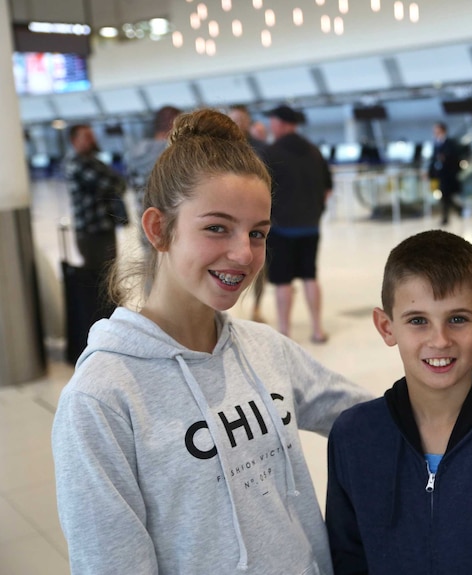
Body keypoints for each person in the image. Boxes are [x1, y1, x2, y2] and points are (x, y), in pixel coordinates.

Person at [52, 109, 373, 574]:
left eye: (257, 232)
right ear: (158, 229)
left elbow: (370, 418)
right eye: (217, 227)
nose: (243, 253)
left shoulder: (266, 349)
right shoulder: (100, 399)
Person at [325, 229, 472, 574]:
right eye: (418, 321)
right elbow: (347, 558)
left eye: (457, 319)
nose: (439, 340)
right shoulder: (355, 437)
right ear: (386, 326)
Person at [263, 104, 332, 343]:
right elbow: (328, 189)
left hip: (281, 228)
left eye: (272, 121)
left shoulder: (271, 152)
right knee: (310, 276)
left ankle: (284, 332)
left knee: (283, 281)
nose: (271, 125)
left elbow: (263, 190)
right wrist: (316, 213)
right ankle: (317, 329)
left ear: (281, 123)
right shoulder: (314, 151)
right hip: (310, 226)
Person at [63, 123, 128, 270]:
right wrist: (118, 182)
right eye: (87, 137)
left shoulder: (94, 162)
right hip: (91, 233)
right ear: (74, 141)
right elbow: (113, 184)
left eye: (92, 136)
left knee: (109, 275)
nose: (92, 140)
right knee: (99, 281)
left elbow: (120, 184)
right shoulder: (77, 163)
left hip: (103, 228)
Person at [228, 103, 268, 322]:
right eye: (234, 119)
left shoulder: (260, 148)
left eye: (242, 119)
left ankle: (257, 307)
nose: (238, 123)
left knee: (259, 266)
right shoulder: (220, 149)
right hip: (228, 215)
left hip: (256, 217)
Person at [125, 105, 182, 215]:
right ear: (174, 124)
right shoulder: (173, 153)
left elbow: (130, 185)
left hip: (145, 216)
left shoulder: (133, 153)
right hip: (170, 218)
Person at [427, 122, 463, 225]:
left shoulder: (451, 143)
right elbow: (433, 160)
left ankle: (446, 217)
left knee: (446, 196)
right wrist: (430, 173)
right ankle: (458, 209)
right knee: (445, 196)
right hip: (440, 175)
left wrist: (446, 158)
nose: (435, 132)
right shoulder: (436, 143)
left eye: (437, 130)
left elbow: (456, 157)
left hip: (449, 175)